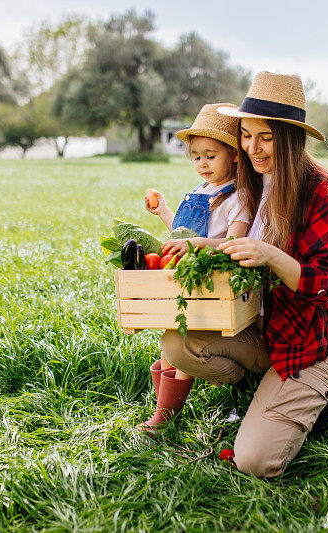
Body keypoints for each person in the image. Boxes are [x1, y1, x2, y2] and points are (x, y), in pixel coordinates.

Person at [159, 72, 328, 477]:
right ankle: (254, 389)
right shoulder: (252, 181)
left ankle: (320, 395)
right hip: (262, 328)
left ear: (289, 136)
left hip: (307, 345)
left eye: (265, 137)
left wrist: (269, 254)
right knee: (179, 342)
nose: (253, 148)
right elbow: (228, 241)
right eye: (246, 135)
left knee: (253, 461)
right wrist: (199, 245)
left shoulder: (322, 190)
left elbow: (326, 283)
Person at [138, 103, 251, 433]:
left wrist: (199, 246)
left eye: (211, 155)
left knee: (181, 341)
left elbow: (234, 245)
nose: (202, 163)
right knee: (169, 340)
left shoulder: (237, 198)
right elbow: (182, 237)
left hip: (212, 284)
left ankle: (163, 418)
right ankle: (164, 413)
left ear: (233, 155)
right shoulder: (198, 192)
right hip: (187, 278)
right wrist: (163, 211)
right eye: (196, 155)